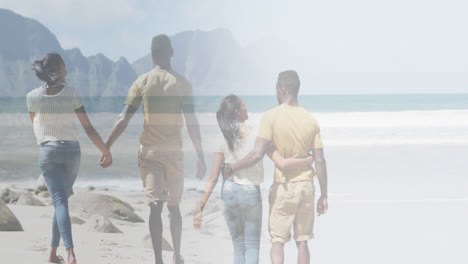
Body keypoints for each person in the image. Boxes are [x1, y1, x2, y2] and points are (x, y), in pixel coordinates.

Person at [104, 34, 206, 264]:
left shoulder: (142, 81)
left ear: (152, 55)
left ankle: (158, 259)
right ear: (171, 52)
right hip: (173, 152)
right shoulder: (182, 83)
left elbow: (123, 119)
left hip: (150, 152)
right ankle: (177, 255)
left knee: (155, 206)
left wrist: (107, 147)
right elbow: (192, 121)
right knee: (174, 207)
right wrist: (200, 156)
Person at [193, 94, 314, 264]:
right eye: (243, 106)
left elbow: (213, 177)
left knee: (238, 246)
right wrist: (308, 159)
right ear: (236, 112)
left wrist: (200, 206)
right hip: (250, 192)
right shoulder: (258, 134)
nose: (246, 108)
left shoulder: (221, 138)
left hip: (228, 191)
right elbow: (281, 162)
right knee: (251, 245)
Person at [223, 70, 328, 264]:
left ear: (282, 89)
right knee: (303, 241)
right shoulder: (310, 120)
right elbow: (319, 160)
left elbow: (257, 154)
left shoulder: (271, 117)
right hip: (306, 186)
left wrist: (232, 167)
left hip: (284, 186)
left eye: (276, 88)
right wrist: (324, 195)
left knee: (278, 241)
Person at [27, 53, 112, 264]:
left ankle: (61, 254)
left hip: (48, 152)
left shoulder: (32, 97)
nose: (67, 70)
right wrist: (105, 151)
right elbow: (88, 127)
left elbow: (35, 124)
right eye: (64, 66)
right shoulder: (73, 93)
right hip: (72, 152)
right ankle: (62, 254)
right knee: (61, 202)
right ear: (56, 70)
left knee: (60, 203)